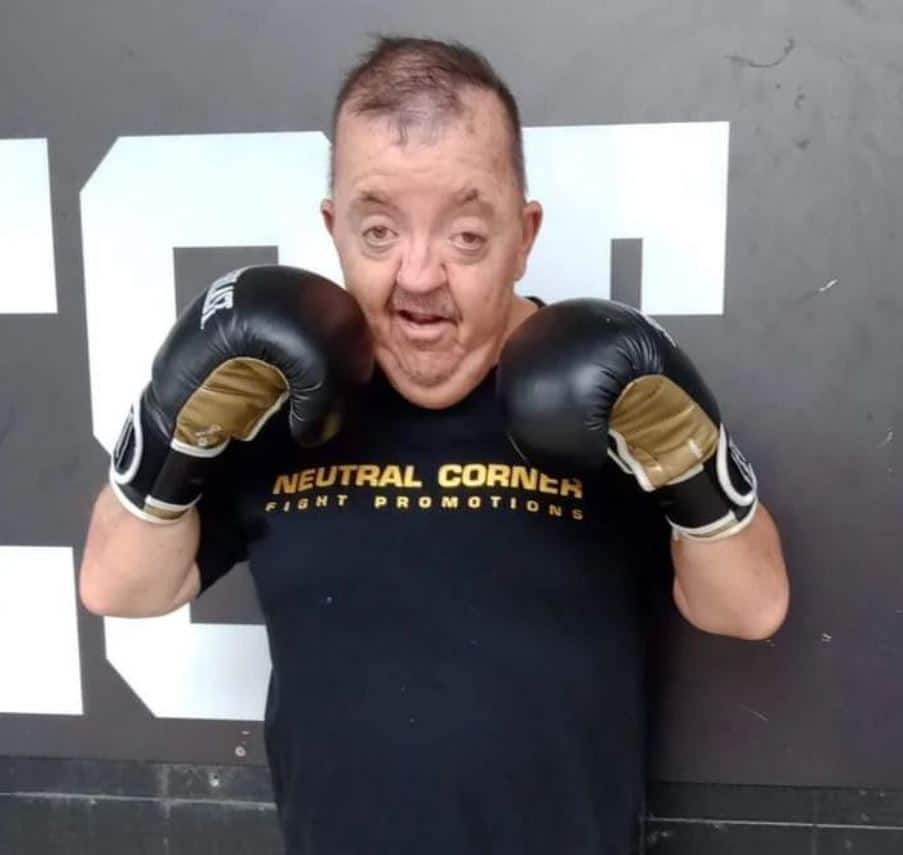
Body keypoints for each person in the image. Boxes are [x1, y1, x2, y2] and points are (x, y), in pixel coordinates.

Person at [79, 36, 789, 855]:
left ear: (523, 236)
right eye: (378, 231)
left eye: (464, 236)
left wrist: (688, 461)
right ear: (331, 226)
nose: (417, 276)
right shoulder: (271, 396)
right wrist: (172, 425)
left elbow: (751, 605)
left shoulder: (609, 398)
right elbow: (117, 586)